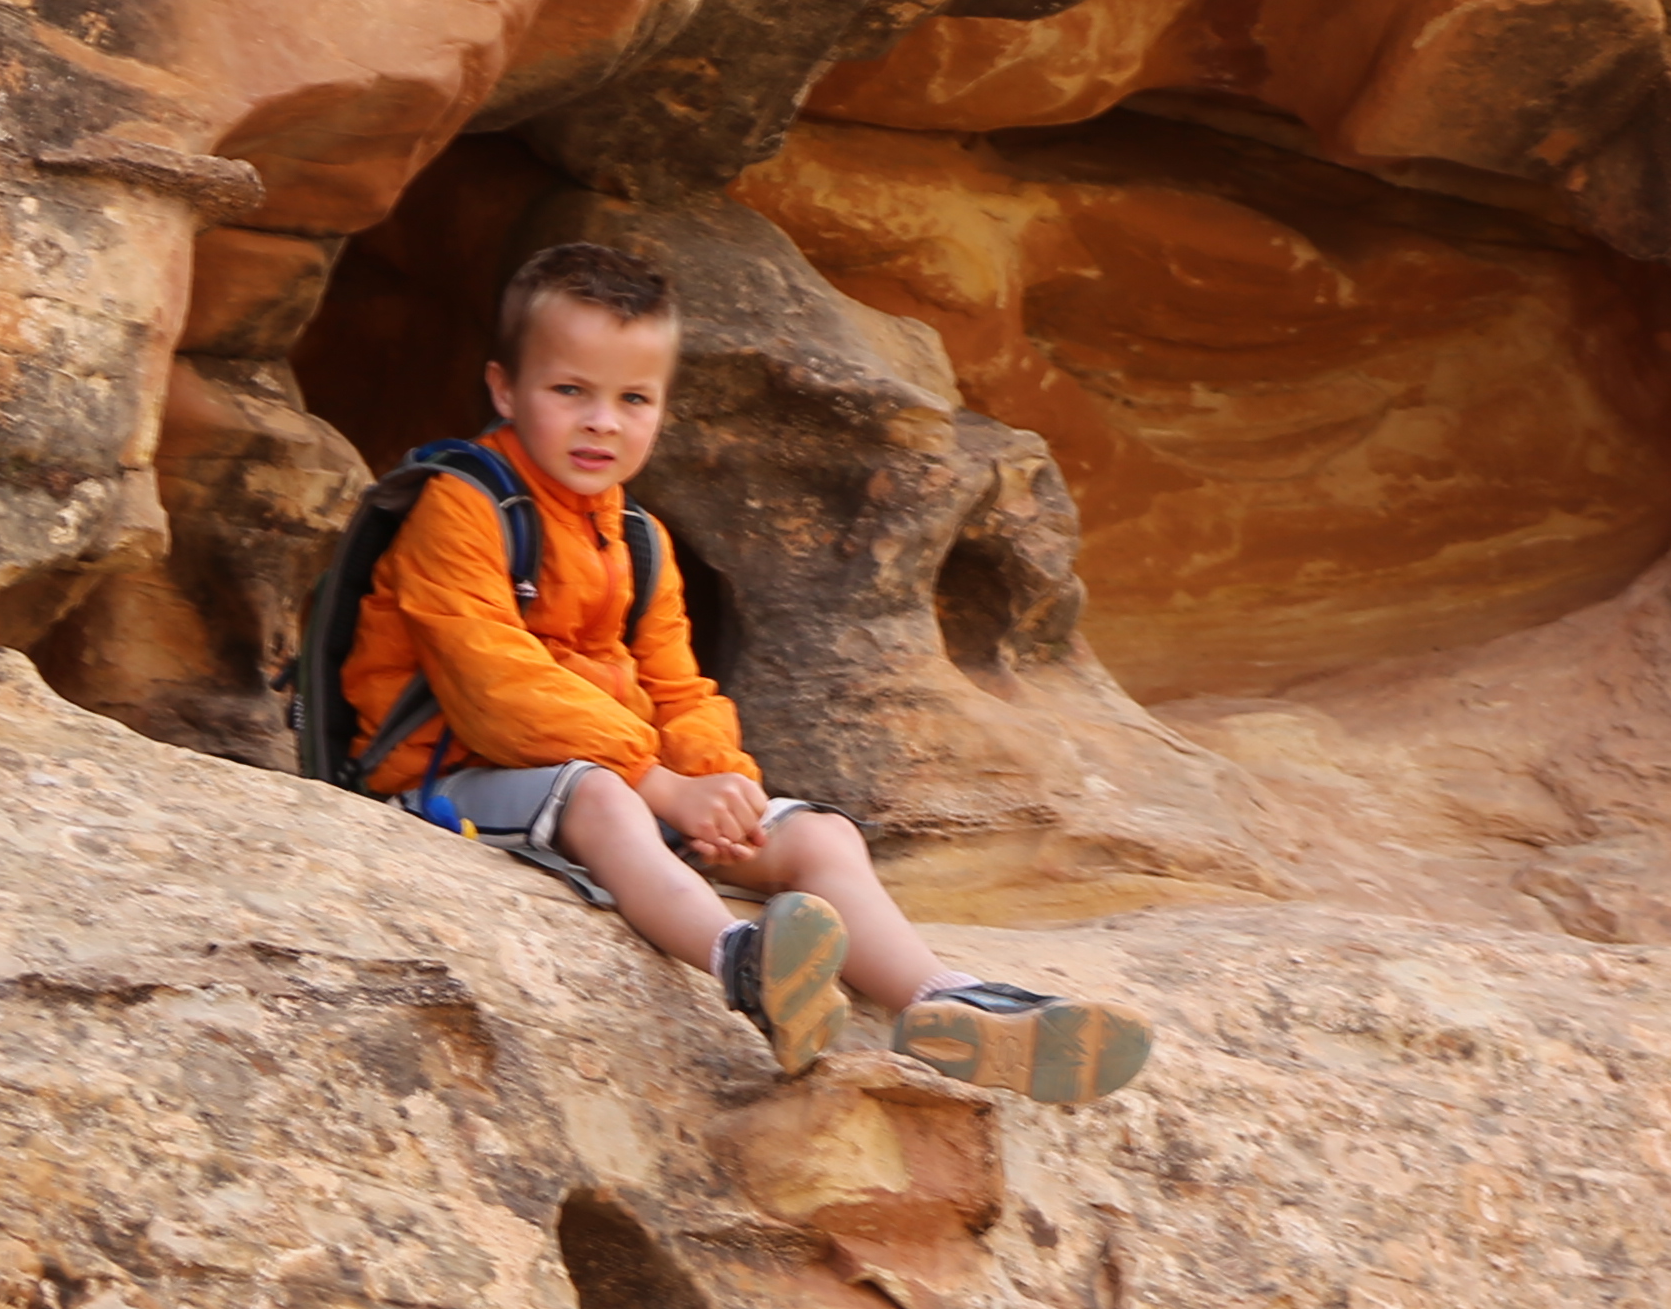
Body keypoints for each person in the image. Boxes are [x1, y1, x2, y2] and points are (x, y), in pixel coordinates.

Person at [343, 237, 1153, 1101]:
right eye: (569, 390)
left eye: (633, 398)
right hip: (449, 780)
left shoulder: (637, 538)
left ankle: (944, 1002)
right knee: (602, 798)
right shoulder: (462, 507)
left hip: (615, 773)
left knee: (818, 835)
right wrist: (660, 787)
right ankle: (747, 967)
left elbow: (680, 688)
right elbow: (492, 684)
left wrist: (718, 791)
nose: (602, 422)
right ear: (505, 389)